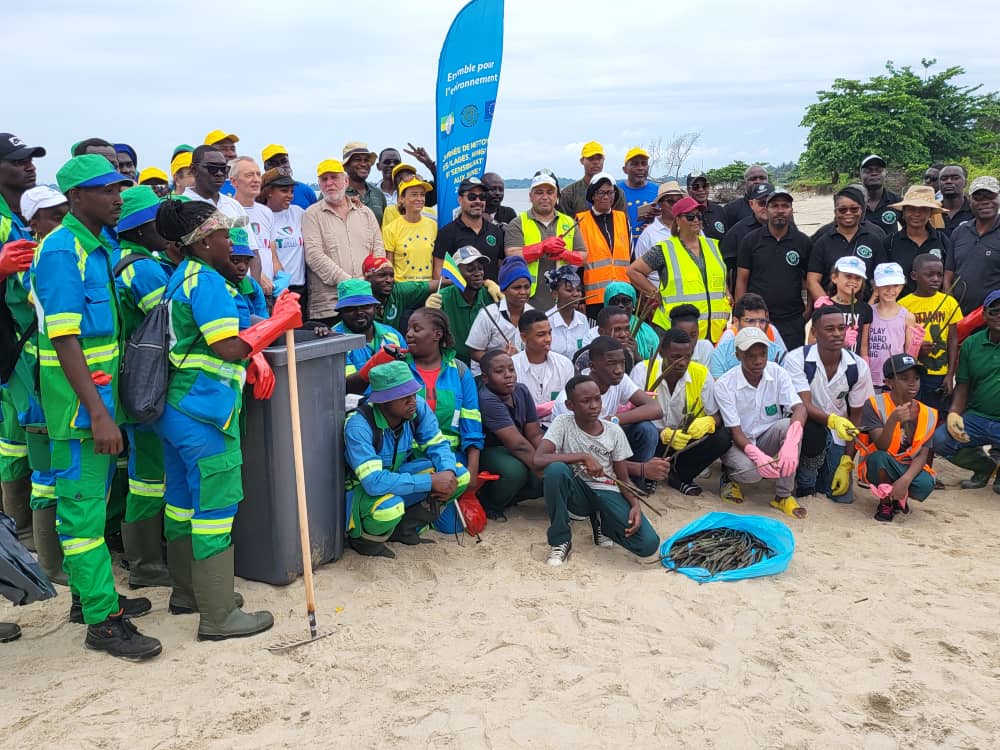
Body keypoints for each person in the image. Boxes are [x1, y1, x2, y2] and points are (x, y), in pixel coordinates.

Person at [30, 155, 163, 659]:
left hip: (98, 404)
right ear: (76, 197)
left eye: (120, 189)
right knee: (83, 519)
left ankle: (93, 601)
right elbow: (64, 340)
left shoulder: (97, 245)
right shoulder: (64, 250)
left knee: (94, 505)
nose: (118, 198)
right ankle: (102, 625)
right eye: (107, 190)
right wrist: (100, 415)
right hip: (79, 414)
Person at [154, 199, 301, 640]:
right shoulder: (209, 283)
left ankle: (189, 593)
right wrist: (280, 321)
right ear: (202, 243)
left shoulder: (183, 277)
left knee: (181, 504)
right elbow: (230, 347)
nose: (230, 243)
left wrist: (263, 326)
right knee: (215, 510)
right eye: (222, 236)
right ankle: (218, 615)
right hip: (205, 414)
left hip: (176, 410)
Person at [113, 187, 184, 589]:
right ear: (142, 229)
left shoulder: (134, 261)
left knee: (146, 473)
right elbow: (170, 322)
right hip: (149, 381)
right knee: (148, 476)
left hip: (138, 379)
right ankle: (145, 564)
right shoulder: (141, 269)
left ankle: (145, 558)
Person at [343, 361, 469, 557]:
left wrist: (447, 471)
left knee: (458, 475)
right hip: (362, 492)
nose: (413, 400)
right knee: (388, 508)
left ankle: (404, 530)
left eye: (413, 393)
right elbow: (373, 483)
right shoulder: (359, 426)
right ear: (384, 401)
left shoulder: (416, 407)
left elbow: (438, 445)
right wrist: (430, 481)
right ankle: (366, 543)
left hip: (396, 477)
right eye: (405, 396)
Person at [534, 374, 660, 566]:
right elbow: (539, 459)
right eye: (585, 401)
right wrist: (582, 456)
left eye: (597, 398)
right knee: (556, 470)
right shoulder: (562, 423)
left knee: (648, 544)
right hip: (577, 492)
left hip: (607, 490)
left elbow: (623, 478)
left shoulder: (613, 431)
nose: (594, 406)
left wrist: (635, 505)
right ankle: (560, 540)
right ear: (570, 405)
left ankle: (603, 522)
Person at [714, 327, 808, 518]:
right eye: (750, 356)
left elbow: (800, 408)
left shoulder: (778, 373)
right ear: (738, 355)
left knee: (790, 426)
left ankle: (783, 495)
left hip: (766, 437)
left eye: (763, 354)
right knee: (751, 474)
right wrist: (756, 455)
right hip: (737, 443)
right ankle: (729, 476)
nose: (758, 361)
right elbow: (735, 432)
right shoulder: (725, 384)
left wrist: (791, 442)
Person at [403, 307, 482, 531]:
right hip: (409, 460)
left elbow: (472, 424)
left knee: (452, 528)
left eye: (416, 329)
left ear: (437, 335)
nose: (408, 334)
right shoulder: (400, 368)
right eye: (408, 328)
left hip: (450, 458)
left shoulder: (460, 371)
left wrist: (472, 470)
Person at [785, 306, 874, 503]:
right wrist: (832, 420)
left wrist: (847, 460)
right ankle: (805, 480)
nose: (837, 334)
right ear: (814, 333)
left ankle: (825, 471)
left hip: (839, 433)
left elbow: (856, 418)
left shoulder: (858, 367)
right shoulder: (796, 359)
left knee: (842, 497)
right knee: (812, 430)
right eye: (830, 329)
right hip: (806, 427)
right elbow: (803, 404)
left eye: (841, 328)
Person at [552, 336, 665, 490]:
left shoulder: (620, 380)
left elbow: (655, 409)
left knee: (646, 429)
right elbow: (586, 454)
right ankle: (631, 476)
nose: (619, 370)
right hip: (578, 455)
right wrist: (642, 468)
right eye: (611, 364)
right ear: (592, 366)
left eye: (622, 363)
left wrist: (612, 419)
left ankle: (633, 483)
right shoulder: (571, 399)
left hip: (604, 441)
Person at [627, 195, 731, 343]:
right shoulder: (665, 249)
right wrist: (656, 294)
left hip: (714, 331)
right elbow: (633, 271)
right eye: (690, 217)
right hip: (675, 330)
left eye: (698, 216)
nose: (696, 220)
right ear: (677, 220)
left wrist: (726, 293)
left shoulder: (713, 245)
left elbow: (718, 277)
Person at [642, 329, 731, 495]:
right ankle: (647, 476)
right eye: (675, 357)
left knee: (723, 436)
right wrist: (662, 433)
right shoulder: (643, 371)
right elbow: (632, 413)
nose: (682, 362)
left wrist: (710, 422)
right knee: (643, 431)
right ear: (661, 352)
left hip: (685, 441)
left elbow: (718, 416)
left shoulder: (701, 374)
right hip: (654, 439)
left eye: (687, 356)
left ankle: (681, 476)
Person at [932, 289, 1000, 491]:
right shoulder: (972, 343)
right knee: (941, 439)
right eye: (994, 310)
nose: (999, 315)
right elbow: (963, 386)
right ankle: (985, 467)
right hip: (977, 417)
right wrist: (953, 414)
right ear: (985, 314)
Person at [302, 158, 384, 323]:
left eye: (334, 177)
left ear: (346, 181)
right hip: (330, 305)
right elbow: (314, 255)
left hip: (365, 299)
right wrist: (350, 282)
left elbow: (378, 250)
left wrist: (367, 282)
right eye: (324, 179)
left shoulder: (365, 213)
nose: (329, 183)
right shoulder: (311, 215)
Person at [858, 354, 938, 521]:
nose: (912, 383)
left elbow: (923, 453)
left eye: (916, 378)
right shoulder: (874, 404)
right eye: (904, 378)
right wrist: (893, 420)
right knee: (878, 458)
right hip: (882, 462)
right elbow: (881, 446)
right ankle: (885, 501)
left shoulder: (928, 412)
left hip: (908, 465)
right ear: (888, 382)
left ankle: (900, 495)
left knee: (926, 483)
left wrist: (906, 480)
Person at [735, 188, 812, 349]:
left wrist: (808, 310)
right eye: (775, 206)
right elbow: (742, 279)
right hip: (757, 319)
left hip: (792, 320)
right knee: (757, 365)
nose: (780, 211)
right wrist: (739, 313)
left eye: (785, 206)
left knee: (791, 367)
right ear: (767, 210)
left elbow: (810, 279)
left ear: (791, 210)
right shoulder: (751, 241)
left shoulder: (803, 242)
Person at [478, 349, 545, 520]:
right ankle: (490, 503)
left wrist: (548, 457)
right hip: (491, 449)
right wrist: (542, 468)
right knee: (516, 471)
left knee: (541, 477)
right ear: (485, 378)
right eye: (499, 372)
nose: (508, 375)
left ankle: (511, 499)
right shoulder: (487, 398)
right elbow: (517, 444)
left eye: (511, 369)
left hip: (517, 445)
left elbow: (534, 433)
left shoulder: (521, 390)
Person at [504, 172, 585, 310]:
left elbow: (583, 257)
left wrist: (564, 254)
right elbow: (511, 256)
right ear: (531, 196)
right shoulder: (518, 223)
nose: (545, 197)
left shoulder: (569, 222)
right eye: (539, 192)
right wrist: (542, 247)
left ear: (556, 196)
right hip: (529, 299)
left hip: (563, 299)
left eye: (550, 192)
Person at [899, 253, 961, 411]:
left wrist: (950, 374)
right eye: (929, 275)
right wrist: (915, 350)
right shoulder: (903, 305)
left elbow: (953, 339)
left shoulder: (949, 302)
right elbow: (899, 341)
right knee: (912, 412)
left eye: (939, 275)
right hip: (913, 371)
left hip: (939, 372)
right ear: (914, 275)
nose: (936, 279)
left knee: (935, 414)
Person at [807, 185, 887, 300]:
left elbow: (882, 278)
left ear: (861, 209)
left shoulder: (873, 241)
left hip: (865, 310)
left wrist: (869, 308)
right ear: (835, 211)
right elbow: (812, 280)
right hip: (831, 311)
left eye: (854, 209)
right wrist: (827, 307)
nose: (848, 213)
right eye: (842, 209)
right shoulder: (823, 242)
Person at [332, 279, 405, 392]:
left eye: (365, 306)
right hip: (356, 406)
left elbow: (407, 373)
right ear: (341, 312)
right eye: (351, 308)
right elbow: (345, 387)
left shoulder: (392, 334)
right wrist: (374, 363)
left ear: (375, 308)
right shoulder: (334, 340)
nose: (359, 312)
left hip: (394, 402)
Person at [576, 172, 632, 315]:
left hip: (623, 296)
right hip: (594, 298)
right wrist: (581, 298)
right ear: (593, 195)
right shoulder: (580, 221)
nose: (606, 197)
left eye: (610, 192)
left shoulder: (623, 219)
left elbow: (632, 257)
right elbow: (576, 265)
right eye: (601, 192)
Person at [466, 256, 533, 374]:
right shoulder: (488, 315)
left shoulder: (532, 314)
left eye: (526, 287)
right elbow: (474, 352)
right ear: (503, 290)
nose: (523, 292)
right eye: (517, 288)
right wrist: (499, 358)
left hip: (521, 374)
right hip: (488, 378)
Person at [944, 176, 1000, 315]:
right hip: (959, 315)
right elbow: (949, 272)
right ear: (970, 201)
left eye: (990, 196)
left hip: (994, 317)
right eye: (978, 198)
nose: (985, 202)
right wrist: (949, 301)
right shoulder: (960, 232)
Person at [884, 186, 950, 296]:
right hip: (899, 307)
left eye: (923, 209)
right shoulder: (890, 242)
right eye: (911, 209)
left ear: (930, 213)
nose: (917, 214)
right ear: (903, 212)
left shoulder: (942, 240)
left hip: (933, 309)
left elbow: (949, 273)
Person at [512, 309, 574, 423]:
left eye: (549, 333)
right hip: (522, 429)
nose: (548, 339)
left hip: (559, 429)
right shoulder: (512, 367)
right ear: (524, 337)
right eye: (541, 334)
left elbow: (570, 405)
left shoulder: (564, 364)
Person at [259, 167, 306, 310]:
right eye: (284, 191)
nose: (290, 196)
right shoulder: (261, 215)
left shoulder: (298, 212)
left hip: (299, 287)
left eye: (292, 191)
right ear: (269, 192)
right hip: (273, 288)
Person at [709, 293, 786, 378]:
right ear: (736, 322)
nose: (757, 327)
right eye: (750, 321)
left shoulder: (778, 353)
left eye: (762, 321)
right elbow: (718, 388)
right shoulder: (720, 355)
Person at [867, 263, 917, 391]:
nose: (891, 291)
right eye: (885, 286)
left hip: (895, 378)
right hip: (869, 377)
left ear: (901, 286)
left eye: (895, 285)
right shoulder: (868, 313)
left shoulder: (907, 317)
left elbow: (909, 353)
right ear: (876, 287)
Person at [229, 156, 273, 293]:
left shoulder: (266, 212)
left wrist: (280, 278)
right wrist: (257, 278)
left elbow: (272, 252)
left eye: (258, 174)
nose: (256, 180)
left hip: (268, 291)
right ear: (234, 182)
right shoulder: (227, 211)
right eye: (249, 175)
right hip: (243, 290)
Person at [362, 254, 431, 335]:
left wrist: (449, 280)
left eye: (391, 276)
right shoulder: (358, 299)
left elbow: (431, 285)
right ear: (367, 278)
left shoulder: (397, 291)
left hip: (393, 344)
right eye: (382, 275)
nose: (389, 280)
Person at [383, 177, 436, 282]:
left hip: (428, 289)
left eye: (422, 194)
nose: (419, 199)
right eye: (414, 194)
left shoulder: (433, 225)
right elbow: (389, 266)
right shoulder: (390, 229)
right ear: (402, 198)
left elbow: (436, 262)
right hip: (403, 290)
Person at [723, 182, 772, 288]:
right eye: (762, 203)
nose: (766, 207)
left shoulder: (787, 229)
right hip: (749, 297)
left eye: (770, 203)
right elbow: (724, 268)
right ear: (751, 204)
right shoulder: (737, 232)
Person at [557, 141, 625, 216]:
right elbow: (563, 223)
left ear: (603, 160)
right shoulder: (569, 194)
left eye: (598, 158)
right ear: (582, 161)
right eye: (591, 158)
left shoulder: (616, 193)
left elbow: (621, 221)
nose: (595, 162)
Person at [822, 255, 872, 358]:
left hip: (854, 366)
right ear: (834, 278)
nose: (853, 281)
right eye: (848, 276)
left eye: (858, 278)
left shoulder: (865, 309)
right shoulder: (825, 306)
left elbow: (863, 346)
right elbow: (812, 342)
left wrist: (865, 367)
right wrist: (840, 341)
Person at [634, 181, 685, 273]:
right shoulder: (648, 234)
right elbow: (637, 271)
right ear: (660, 204)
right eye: (670, 201)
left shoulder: (692, 227)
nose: (675, 205)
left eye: (679, 201)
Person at [600, 281, 659, 360]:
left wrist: (636, 356)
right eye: (615, 302)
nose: (620, 305)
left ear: (634, 305)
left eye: (625, 301)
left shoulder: (648, 333)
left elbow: (655, 368)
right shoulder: (594, 334)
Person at [543, 265, 589, 361]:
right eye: (569, 290)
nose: (576, 294)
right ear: (555, 294)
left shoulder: (582, 320)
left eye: (579, 290)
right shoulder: (546, 320)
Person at [617, 147, 658, 247]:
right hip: (623, 250)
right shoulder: (615, 192)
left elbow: (669, 221)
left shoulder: (658, 191)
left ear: (648, 167)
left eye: (644, 164)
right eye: (635, 164)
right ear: (625, 169)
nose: (640, 168)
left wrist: (654, 227)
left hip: (651, 249)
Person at [260, 144, 317, 210]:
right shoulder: (258, 194)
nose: (280, 166)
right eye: (274, 163)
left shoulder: (306, 191)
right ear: (265, 168)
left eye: (284, 161)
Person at [342, 141, 386, 225]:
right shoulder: (335, 193)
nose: (363, 164)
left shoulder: (378, 193)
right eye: (357, 160)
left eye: (366, 160)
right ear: (345, 166)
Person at [860, 155, 901, 235]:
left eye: (879, 170)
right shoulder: (853, 203)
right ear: (860, 174)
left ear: (885, 173)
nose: (874, 173)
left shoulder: (897, 202)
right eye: (868, 171)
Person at [685, 172, 727, 242]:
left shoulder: (719, 210)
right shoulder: (684, 214)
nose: (701, 190)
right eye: (696, 187)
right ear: (688, 190)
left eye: (704, 186)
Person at [939, 165, 974, 237]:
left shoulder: (975, 211)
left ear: (965, 183)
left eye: (955, 178)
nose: (949, 181)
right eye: (944, 179)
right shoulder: (931, 212)